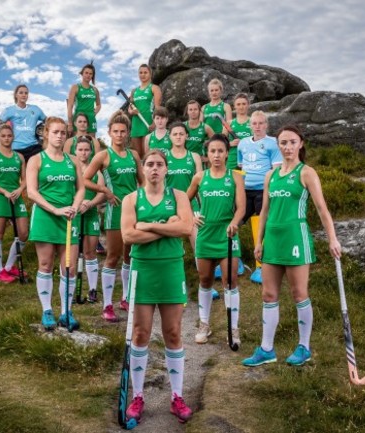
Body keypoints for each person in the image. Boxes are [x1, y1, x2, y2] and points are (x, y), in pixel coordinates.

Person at [242, 125, 341, 368]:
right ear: (278, 145)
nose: (287, 147)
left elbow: (321, 209)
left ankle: (304, 347)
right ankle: (266, 349)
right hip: (272, 241)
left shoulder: (306, 172)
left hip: (296, 239)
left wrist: (333, 239)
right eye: (283, 142)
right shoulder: (271, 176)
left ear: (301, 144)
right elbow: (264, 211)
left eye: (292, 142)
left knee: (299, 294)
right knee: (268, 294)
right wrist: (258, 241)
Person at [121, 149, 194, 424]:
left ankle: (177, 397)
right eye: (149, 164)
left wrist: (149, 224)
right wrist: (167, 225)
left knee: (173, 332)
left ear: (166, 170)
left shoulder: (179, 196)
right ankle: (137, 396)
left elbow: (186, 229)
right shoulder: (131, 199)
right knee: (140, 333)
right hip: (143, 271)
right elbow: (128, 235)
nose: (154, 169)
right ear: (143, 169)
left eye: (159, 164)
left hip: (171, 268)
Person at [83, 111, 144, 322]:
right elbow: (85, 179)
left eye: (123, 131)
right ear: (109, 132)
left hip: (134, 211)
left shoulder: (134, 155)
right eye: (115, 131)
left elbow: (142, 182)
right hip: (115, 211)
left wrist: (143, 202)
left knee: (130, 257)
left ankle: (125, 298)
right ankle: (107, 305)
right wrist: (106, 192)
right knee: (113, 256)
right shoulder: (103, 156)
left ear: (128, 133)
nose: (119, 135)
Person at [26, 117, 85, 331]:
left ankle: (66, 312)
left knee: (68, 268)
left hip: (69, 217)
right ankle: (47, 310)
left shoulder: (73, 161)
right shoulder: (36, 160)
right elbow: (31, 192)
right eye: (55, 132)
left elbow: (81, 188)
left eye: (63, 132)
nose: (60, 136)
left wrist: (75, 206)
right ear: (46, 134)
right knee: (45, 265)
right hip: (46, 216)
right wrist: (55, 210)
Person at [187, 135, 245, 347]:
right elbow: (185, 200)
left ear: (227, 153)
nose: (217, 155)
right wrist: (192, 216)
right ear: (207, 155)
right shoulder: (200, 177)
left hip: (228, 234)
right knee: (205, 280)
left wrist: (235, 222)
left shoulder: (236, 177)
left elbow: (241, 208)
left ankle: (233, 328)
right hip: (205, 234)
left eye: (221, 151)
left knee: (230, 281)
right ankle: (204, 324)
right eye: (213, 151)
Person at [237, 111, 283, 283]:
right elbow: (241, 165)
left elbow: (276, 170)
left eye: (261, 123)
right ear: (250, 125)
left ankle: (262, 265)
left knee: (262, 225)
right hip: (244, 190)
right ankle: (236, 261)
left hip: (263, 191)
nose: (257, 126)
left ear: (266, 125)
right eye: (254, 123)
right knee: (235, 222)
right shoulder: (242, 143)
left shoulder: (273, 143)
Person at [0, 123, 28, 284]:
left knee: (23, 233)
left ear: (13, 137)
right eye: (3, 136)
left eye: (9, 135)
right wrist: (4, 191)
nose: (6, 138)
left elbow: (25, 179)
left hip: (16, 197)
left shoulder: (19, 157)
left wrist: (19, 190)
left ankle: (9, 267)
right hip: (1, 197)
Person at [74, 136, 106, 302]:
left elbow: (102, 193)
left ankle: (93, 290)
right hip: (74, 215)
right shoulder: (70, 169)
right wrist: (77, 203)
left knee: (90, 252)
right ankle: (72, 289)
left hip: (91, 214)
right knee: (72, 253)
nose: (83, 153)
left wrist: (90, 203)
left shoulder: (97, 172)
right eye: (80, 149)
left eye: (87, 149)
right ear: (75, 150)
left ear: (91, 152)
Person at [165, 122, 202, 253]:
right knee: (172, 243)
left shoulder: (194, 156)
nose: (178, 137)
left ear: (187, 136)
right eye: (175, 134)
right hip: (170, 202)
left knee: (198, 242)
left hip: (191, 202)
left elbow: (200, 185)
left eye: (181, 134)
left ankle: (203, 272)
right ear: (169, 136)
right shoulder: (164, 157)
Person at [0, 84, 46, 162]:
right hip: (16, 148)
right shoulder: (9, 110)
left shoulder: (35, 109)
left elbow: (48, 121)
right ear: (16, 95)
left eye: (26, 93)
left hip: (33, 146)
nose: (24, 95)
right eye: (21, 93)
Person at [128, 64, 162, 160]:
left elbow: (158, 108)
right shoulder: (134, 91)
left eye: (145, 72)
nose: (143, 75)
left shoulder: (154, 88)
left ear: (150, 74)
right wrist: (132, 112)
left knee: (148, 154)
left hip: (148, 124)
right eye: (140, 73)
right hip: (136, 125)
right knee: (137, 155)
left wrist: (154, 124)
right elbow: (130, 108)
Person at [67, 63, 101, 138]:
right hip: (78, 117)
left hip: (91, 119)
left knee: (91, 143)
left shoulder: (95, 90)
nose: (88, 75)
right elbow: (70, 106)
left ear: (92, 76)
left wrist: (93, 113)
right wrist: (69, 123)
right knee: (77, 143)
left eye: (90, 74)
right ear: (82, 74)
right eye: (86, 73)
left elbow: (99, 105)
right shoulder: (75, 87)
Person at [227, 93, 252, 170]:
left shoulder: (253, 122)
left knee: (246, 181)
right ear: (234, 106)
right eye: (238, 104)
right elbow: (220, 142)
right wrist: (229, 143)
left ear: (248, 105)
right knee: (230, 181)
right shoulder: (229, 123)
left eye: (244, 104)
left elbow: (259, 141)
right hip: (232, 159)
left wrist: (243, 143)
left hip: (248, 159)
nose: (241, 107)